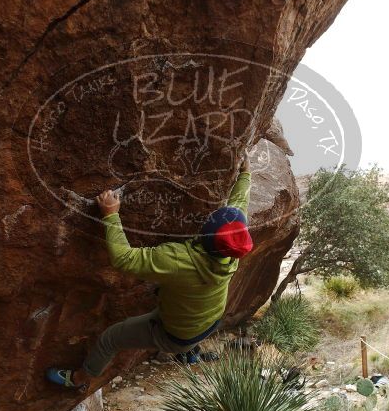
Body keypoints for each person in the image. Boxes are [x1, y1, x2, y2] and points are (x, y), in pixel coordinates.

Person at [44, 159, 254, 391]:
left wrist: (111, 215)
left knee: (110, 339)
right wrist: (245, 174)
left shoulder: (179, 260)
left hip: (174, 335)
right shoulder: (232, 250)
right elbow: (239, 204)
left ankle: (80, 380)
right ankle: (190, 353)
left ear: (207, 236)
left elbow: (124, 259)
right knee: (175, 301)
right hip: (209, 321)